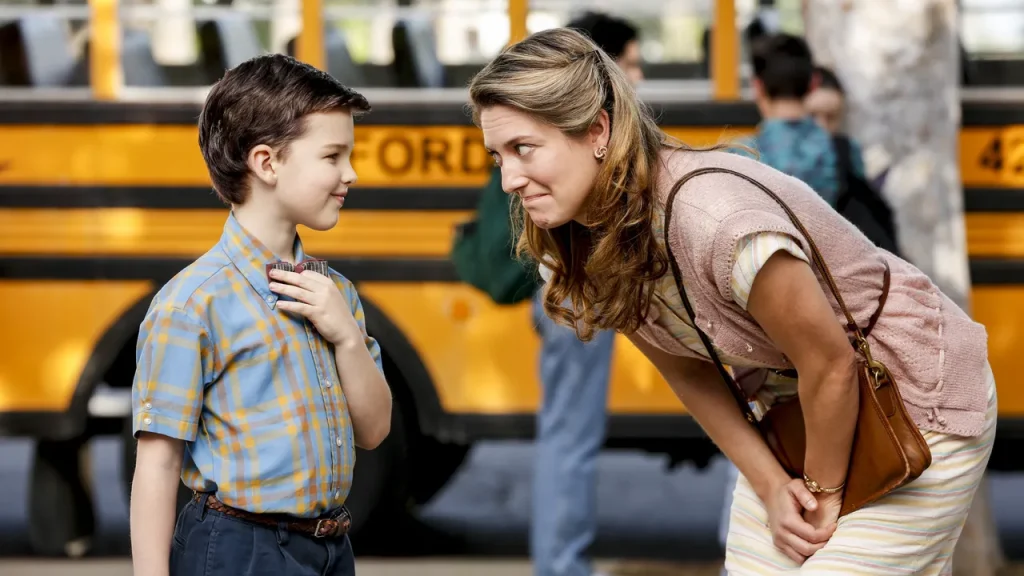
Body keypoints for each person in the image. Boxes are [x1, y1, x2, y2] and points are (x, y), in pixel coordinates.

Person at [469, 27, 996, 574]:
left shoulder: (717, 223)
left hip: (912, 392)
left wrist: (822, 493)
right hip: (803, 413)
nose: (508, 179)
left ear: (598, 130)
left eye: (523, 149)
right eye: (496, 156)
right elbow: (689, 374)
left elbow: (831, 362)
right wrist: (771, 487)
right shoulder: (585, 236)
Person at [129, 54, 393, 576]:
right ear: (267, 163)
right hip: (236, 548)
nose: (351, 173)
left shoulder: (334, 293)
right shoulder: (192, 304)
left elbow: (375, 429)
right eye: (333, 156)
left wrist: (346, 338)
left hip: (329, 546)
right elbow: (157, 466)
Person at [529, 12, 642, 576]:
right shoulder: (584, 134)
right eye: (633, 64)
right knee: (571, 436)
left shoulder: (549, 125)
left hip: (568, 289)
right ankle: (562, 566)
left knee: (567, 433)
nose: (639, 78)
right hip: (576, 290)